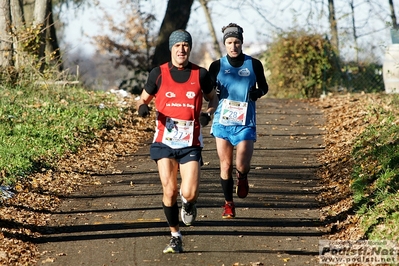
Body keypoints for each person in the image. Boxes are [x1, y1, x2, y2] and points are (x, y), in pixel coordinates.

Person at [136, 29, 218, 254]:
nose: (181, 50)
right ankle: (175, 235)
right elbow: (143, 99)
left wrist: (208, 114)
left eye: (185, 46)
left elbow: (213, 98)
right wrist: (143, 107)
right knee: (170, 190)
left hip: (190, 141)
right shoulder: (158, 73)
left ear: (189, 49)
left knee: (188, 193)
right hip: (164, 141)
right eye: (177, 46)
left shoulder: (200, 74)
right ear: (171, 48)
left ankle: (189, 204)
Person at [208, 23, 269, 219]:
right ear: (224, 44)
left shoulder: (254, 64)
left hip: (245, 122)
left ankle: (242, 177)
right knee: (225, 165)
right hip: (222, 121)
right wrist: (213, 93)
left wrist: (257, 92)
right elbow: (207, 94)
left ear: (241, 43)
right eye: (229, 42)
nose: (233, 46)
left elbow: (264, 87)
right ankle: (228, 204)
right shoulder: (216, 66)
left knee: (241, 164)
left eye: (236, 42)